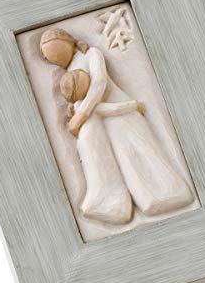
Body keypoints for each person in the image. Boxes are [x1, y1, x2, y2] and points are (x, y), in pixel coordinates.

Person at [40, 28, 193, 223]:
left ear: (67, 42)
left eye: (56, 52)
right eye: (51, 57)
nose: (55, 59)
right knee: (125, 159)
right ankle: (143, 200)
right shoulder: (70, 71)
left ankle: (170, 194)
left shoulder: (91, 54)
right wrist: (76, 109)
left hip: (120, 112)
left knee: (141, 150)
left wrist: (81, 114)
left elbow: (99, 83)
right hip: (104, 119)